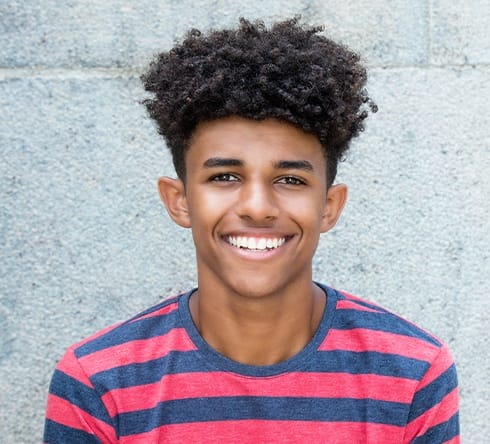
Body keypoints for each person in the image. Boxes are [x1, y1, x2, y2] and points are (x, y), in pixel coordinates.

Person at [43, 17, 459, 443]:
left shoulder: (412, 373)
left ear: (329, 206)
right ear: (179, 200)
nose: (258, 208)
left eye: (291, 180)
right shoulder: (98, 383)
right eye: (224, 176)